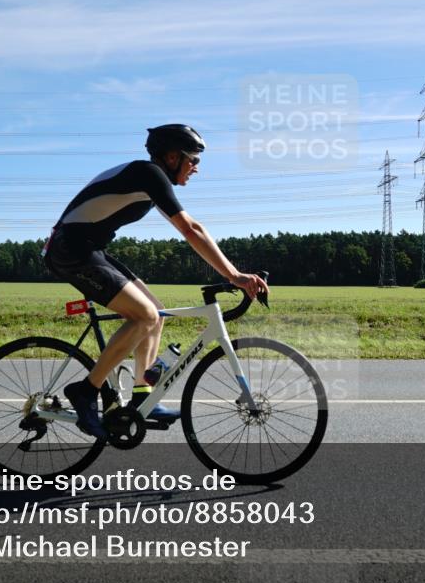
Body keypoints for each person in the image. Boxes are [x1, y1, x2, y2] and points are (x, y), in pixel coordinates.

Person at [43, 124, 269, 439]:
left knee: (156, 313)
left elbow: (190, 229)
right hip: (70, 249)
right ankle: (85, 390)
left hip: (86, 247)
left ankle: (142, 395)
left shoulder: (150, 179)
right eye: (194, 160)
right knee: (144, 315)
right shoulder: (150, 174)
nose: (197, 168)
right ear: (173, 156)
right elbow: (191, 229)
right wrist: (235, 275)